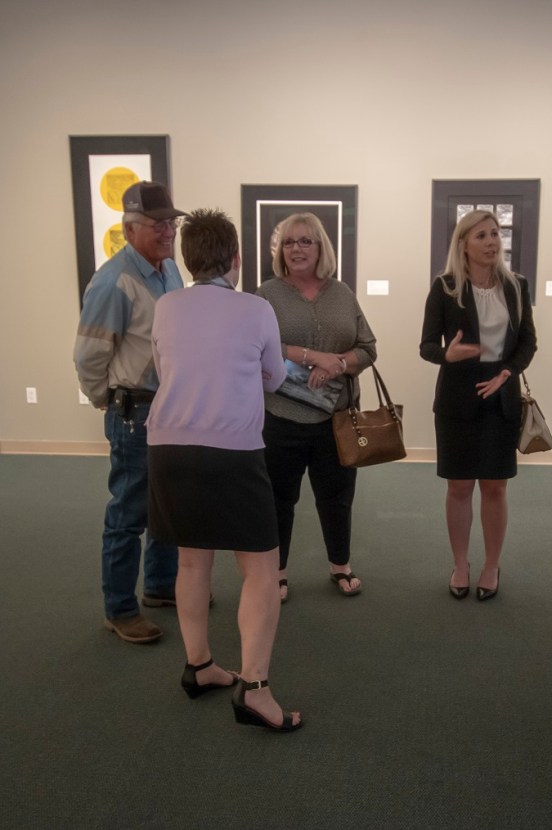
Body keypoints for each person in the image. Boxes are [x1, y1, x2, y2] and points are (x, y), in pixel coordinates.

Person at [146, 208, 301, 731]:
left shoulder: (166, 307)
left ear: (187, 259)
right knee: (260, 568)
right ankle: (254, 689)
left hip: (168, 447)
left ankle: (200, 666)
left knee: (193, 563)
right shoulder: (255, 310)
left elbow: (167, 369)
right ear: (236, 259)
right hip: (231, 450)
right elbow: (275, 378)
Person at [74, 181, 185, 644]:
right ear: (131, 228)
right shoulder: (113, 279)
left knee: (166, 503)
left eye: (171, 223)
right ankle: (120, 609)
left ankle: (160, 586)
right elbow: (88, 356)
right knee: (129, 512)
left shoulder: (170, 271)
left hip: (170, 408)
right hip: (134, 412)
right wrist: (109, 401)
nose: (168, 231)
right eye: (159, 224)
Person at [256, 212, 377, 602]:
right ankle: (278, 572)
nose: (296, 249)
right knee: (278, 500)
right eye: (289, 242)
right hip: (281, 416)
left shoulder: (342, 293)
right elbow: (255, 347)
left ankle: (340, 565)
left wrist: (339, 363)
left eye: (305, 241)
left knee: (337, 496)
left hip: (336, 419)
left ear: (321, 247)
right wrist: (313, 356)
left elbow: (368, 348)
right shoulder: (266, 295)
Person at [420, 210, 537, 601]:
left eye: (495, 234)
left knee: (495, 487)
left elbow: (527, 343)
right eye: (481, 235)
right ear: (463, 244)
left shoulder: (516, 285)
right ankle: (460, 563)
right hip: (457, 398)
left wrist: (507, 373)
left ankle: (490, 564)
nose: (491, 242)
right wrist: (447, 356)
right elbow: (427, 347)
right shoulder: (445, 287)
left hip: (500, 396)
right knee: (458, 486)